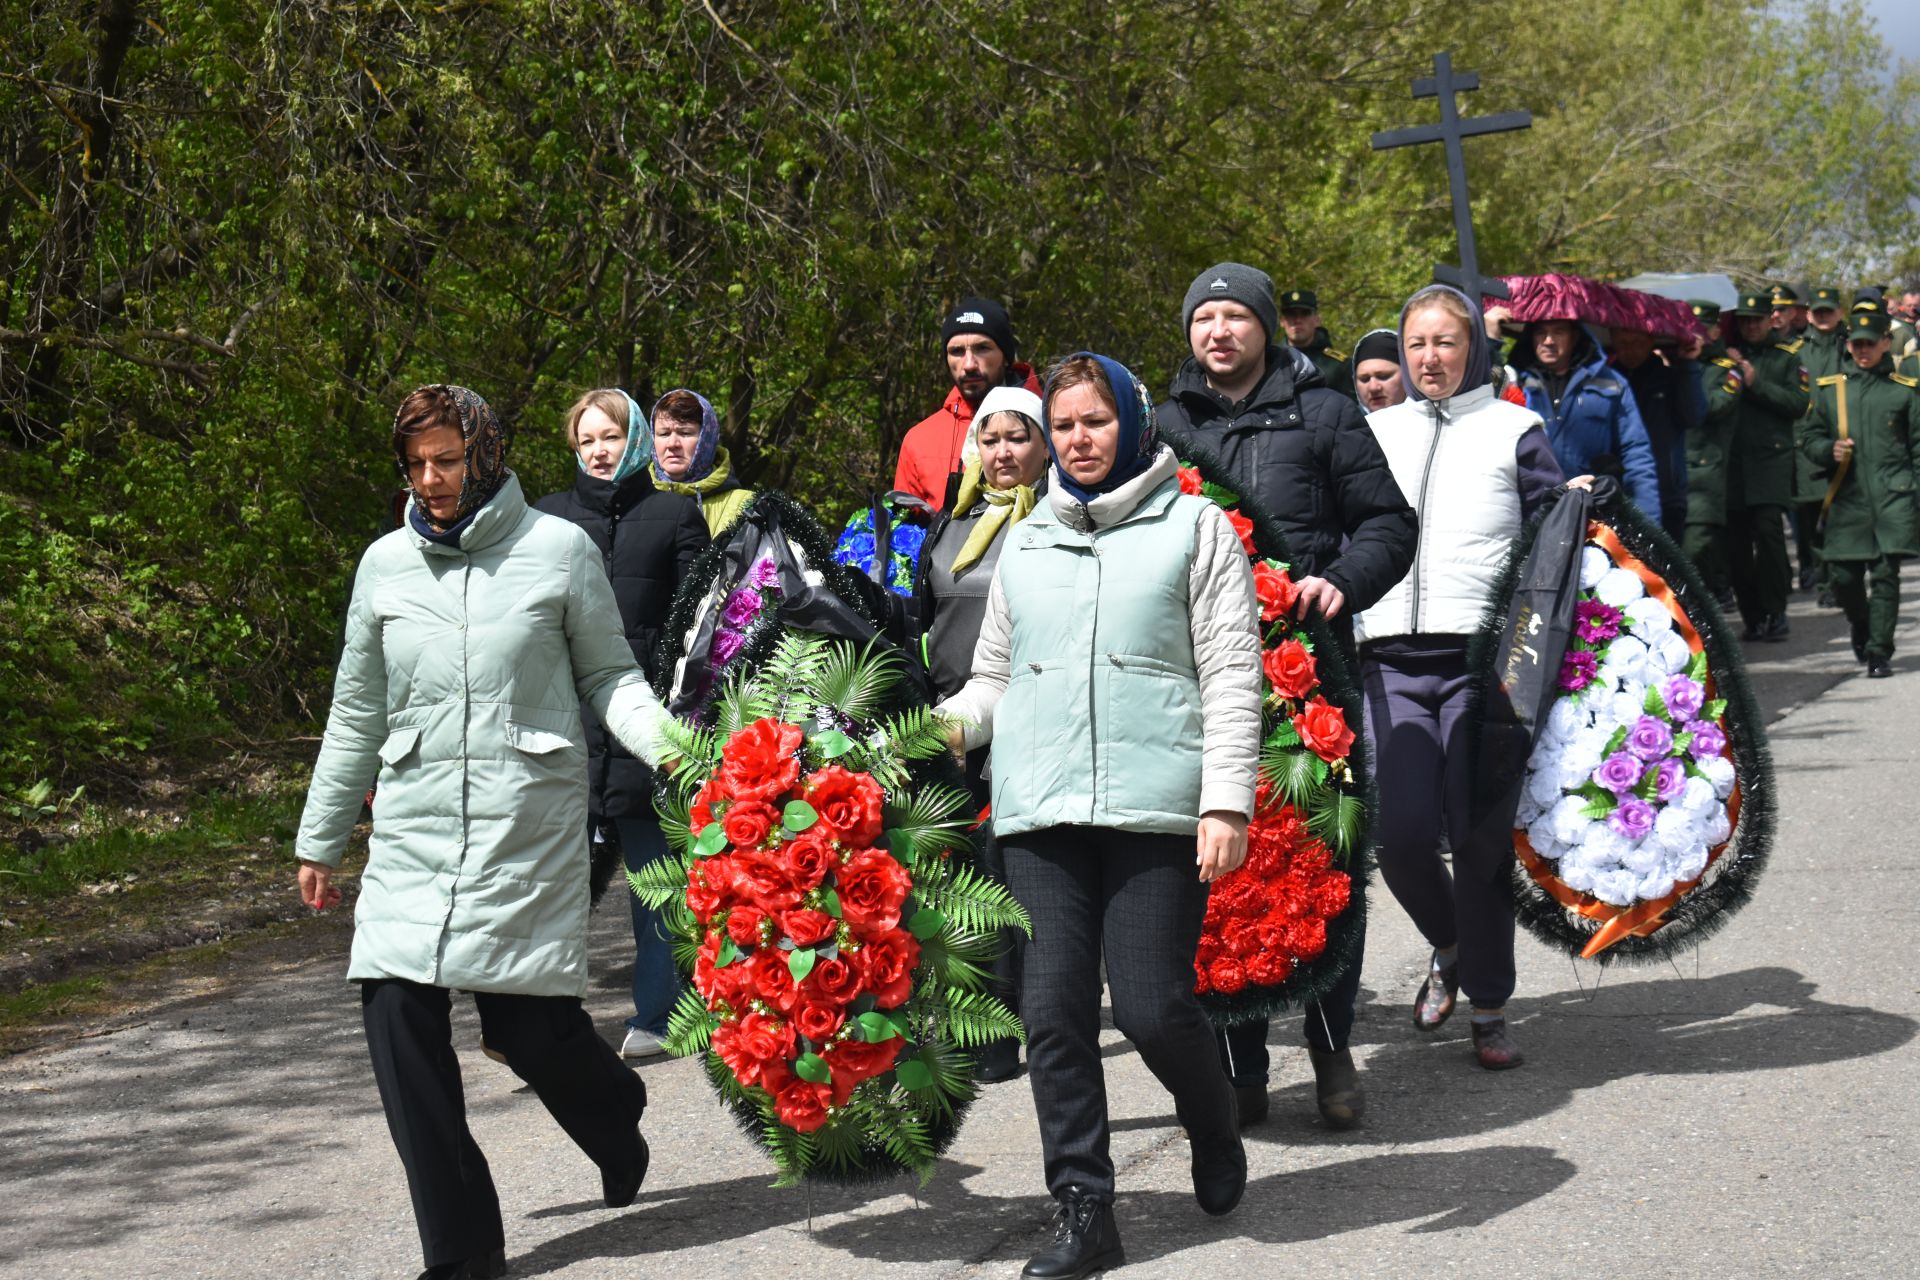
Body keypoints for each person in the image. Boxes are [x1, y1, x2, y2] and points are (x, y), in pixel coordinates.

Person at [295, 385, 666, 1280]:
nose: (432, 479)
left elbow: (612, 678)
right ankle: (464, 1254)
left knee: (530, 1031)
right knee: (395, 1018)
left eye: (448, 460)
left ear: (486, 451)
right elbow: (356, 710)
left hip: (519, 829)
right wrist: (321, 833)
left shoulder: (557, 549)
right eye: (416, 463)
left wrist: (686, 754)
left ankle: (614, 1113)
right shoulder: (383, 565)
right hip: (412, 831)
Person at [941, 353, 1260, 1278]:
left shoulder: (1194, 528)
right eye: (1064, 426)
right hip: (1039, 810)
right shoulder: (1028, 538)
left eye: (1096, 422)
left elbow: (1234, 673)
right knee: (1052, 1016)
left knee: (1157, 1009)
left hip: (1154, 808)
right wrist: (936, 730)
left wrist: (1226, 800)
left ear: (1132, 422)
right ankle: (1084, 1208)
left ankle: (1214, 1122)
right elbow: (993, 676)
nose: (1079, 441)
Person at [1155, 261, 1417, 1131]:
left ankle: (1332, 1046)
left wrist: (1343, 579)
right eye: (1205, 319)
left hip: (1310, 674)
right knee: (1219, 871)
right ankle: (1242, 1063)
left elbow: (1388, 524)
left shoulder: (1327, 413)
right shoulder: (1158, 430)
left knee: (1319, 864)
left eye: (1236, 317)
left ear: (1268, 328)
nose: (1219, 332)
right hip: (1193, 682)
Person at [1356, 284, 1570, 1071]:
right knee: (1403, 835)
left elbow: (1554, 536)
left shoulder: (1518, 429)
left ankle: (1489, 1005)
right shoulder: (1372, 431)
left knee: (1480, 842)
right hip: (1388, 657)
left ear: (1473, 348)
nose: (1430, 358)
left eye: (1446, 342)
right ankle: (1448, 944)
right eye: (1417, 345)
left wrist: (1578, 503)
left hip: (1484, 664)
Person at [533, 388, 708, 1060]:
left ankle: (661, 1014)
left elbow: (697, 627)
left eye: (611, 437)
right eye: (588, 441)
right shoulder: (545, 519)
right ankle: (538, 1022)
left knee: (654, 880)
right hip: (564, 727)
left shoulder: (674, 515)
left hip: (645, 721)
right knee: (549, 884)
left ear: (634, 439)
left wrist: (673, 713)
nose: (601, 451)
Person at [912, 383, 1050, 1083]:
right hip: (952, 723)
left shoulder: (1062, 521)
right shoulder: (946, 529)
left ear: (1043, 445)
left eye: (1018, 437)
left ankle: (1009, 1028)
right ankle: (970, 1022)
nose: (1003, 452)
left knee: (1006, 875)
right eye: (991, 439)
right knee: (957, 875)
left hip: (1030, 719)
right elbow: (921, 622)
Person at [1798, 308, 1920, 679]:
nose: (1863, 350)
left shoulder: (1903, 392)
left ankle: (1879, 651)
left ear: (1886, 342)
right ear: (1848, 345)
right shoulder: (1831, 390)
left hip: (1892, 496)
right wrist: (1828, 451)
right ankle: (1862, 626)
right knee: (1843, 577)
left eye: (1871, 343)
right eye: (1857, 343)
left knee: (1885, 575)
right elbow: (1810, 437)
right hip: (1847, 498)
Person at [893, 296, 1044, 510]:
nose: (969, 364)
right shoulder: (919, 440)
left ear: (1006, 355)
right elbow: (904, 529)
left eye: (982, 348)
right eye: (956, 351)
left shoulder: (1053, 422)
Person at [1510, 318, 1663, 522]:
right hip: (1530, 511)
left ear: (1575, 337)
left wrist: (1648, 523)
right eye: (1540, 333)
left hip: (1591, 512)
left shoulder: (1613, 383)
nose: (1548, 340)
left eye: (1558, 332)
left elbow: (1636, 453)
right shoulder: (1513, 382)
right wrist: (1491, 338)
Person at [1722, 292, 1811, 642]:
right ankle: (1753, 616)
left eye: (1756, 320)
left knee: (1770, 535)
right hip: (1734, 464)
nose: (1751, 327)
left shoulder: (1786, 357)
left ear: (1770, 320)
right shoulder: (1727, 356)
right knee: (1737, 546)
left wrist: (1756, 383)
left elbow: (1797, 403)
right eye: (1745, 321)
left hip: (1771, 462)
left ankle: (1776, 611)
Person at [1609, 326, 1704, 541]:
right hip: (1615, 491)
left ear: (1652, 341)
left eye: (1637, 343)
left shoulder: (1671, 378)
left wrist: (1689, 364)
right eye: (1623, 343)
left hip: (1666, 493)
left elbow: (1694, 416)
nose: (1630, 350)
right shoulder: (1606, 382)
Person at [1683, 301, 1745, 606]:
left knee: (1697, 546)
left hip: (1707, 471)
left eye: (1703, 329)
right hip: (1675, 470)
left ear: (1716, 330)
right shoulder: (1674, 364)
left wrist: (1689, 367)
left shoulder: (1728, 371)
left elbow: (1709, 409)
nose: (1696, 336)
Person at [1792, 288, 1849, 598]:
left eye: (1830, 310)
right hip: (1806, 441)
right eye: (1819, 311)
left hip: (1844, 440)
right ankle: (1810, 566)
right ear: (1810, 314)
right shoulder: (1797, 351)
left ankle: (1831, 581)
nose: (1825, 316)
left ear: (1840, 313)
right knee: (1808, 514)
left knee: (1838, 517)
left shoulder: (1852, 347)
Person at [650, 387, 755, 538]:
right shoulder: (633, 502)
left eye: (685, 433)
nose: (672, 444)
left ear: (707, 438)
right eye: (664, 433)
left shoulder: (746, 506)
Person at [1281, 286, 1355, 397]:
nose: (1297, 320)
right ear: (1282, 321)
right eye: (1291, 314)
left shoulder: (1339, 366)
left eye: (1305, 313)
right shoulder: (1269, 362)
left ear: (1317, 320)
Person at [1351, 327, 1408, 412]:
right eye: (1364, 379)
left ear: (1408, 376)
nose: (1373, 387)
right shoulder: (1346, 423)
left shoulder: (1431, 423)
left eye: (1383, 377)